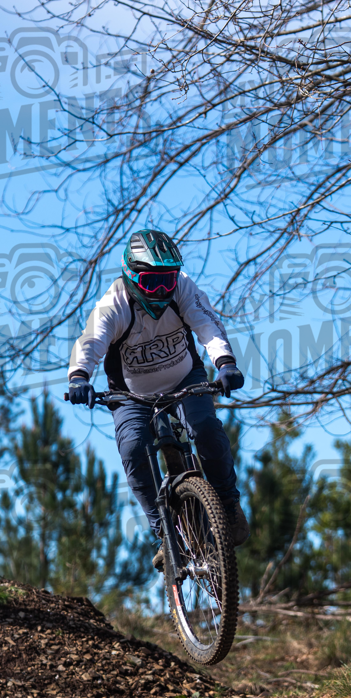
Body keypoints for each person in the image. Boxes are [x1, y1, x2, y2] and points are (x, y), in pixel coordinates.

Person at [67, 228, 249, 568]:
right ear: (132, 276)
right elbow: (90, 342)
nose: (163, 290)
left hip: (184, 379)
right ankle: (165, 532)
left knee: (206, 427)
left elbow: (207, 325)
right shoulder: (114, 304)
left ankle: (227, 503)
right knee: (134, 448)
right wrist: (79, 377)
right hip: (131, 394)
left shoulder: (182, 288)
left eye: (169, 279)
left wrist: (225, 363)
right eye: (153, 283)